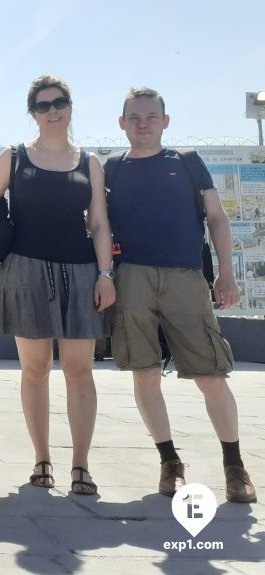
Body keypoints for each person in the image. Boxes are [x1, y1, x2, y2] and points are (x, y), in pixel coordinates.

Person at [0, 75, 115, 496]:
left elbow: (99, 223)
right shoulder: (14, 157)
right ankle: (42, 459)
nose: (53, 111)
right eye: (43, 105)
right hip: (25, 271)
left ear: (70, 106)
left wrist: (106, 275)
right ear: (32, 113)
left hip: (80, 272)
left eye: (59, 102)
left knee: (80, 370)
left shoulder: (89, 162)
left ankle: (81, 465)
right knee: (35, 370)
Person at [106, 88, 254, 502]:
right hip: (131, 278)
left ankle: (235, 467)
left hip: (186, 278)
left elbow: (217, 218)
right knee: (144, 372)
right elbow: (97, 224)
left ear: (165, 121)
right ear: (122, 123)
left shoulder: (187, 162)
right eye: (135, 117)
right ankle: (169, 463)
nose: (143, 124)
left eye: (152, 116)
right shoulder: (112, 168)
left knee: (210, 373)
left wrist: (226, 274)